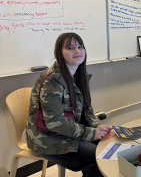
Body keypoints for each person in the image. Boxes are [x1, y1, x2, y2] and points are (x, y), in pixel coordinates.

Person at [26, 33, 109, 177]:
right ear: (59, 52)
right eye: (70, 47)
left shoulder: (79, 74)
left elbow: (87, 109)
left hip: (69, 132)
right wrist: (89, 133)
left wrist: (96, 128)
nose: (77, 51)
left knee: (109, 145)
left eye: (80, 46)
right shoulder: (53, 80)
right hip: (47, 138)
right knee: (96, 156)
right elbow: (55, 123)